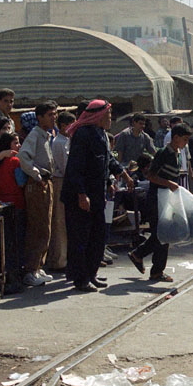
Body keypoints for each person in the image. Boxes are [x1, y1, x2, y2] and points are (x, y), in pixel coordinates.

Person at [61, 99, 133, 292]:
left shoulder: (100, 134)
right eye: (108, 116)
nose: (111, 120)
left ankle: (91, 274)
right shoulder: (83, 134)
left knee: (97, 236)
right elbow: (76, 168)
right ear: (98, 116)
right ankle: (80, 278)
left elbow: (106, 160)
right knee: (81, 238)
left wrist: (114, 178)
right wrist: (81, 194)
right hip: (81, 195)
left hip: (97, 193)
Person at [128, 122, 193, 283]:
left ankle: (142, 257)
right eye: (184, 139)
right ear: (175, 138)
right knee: (162, 235)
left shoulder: (177, 153)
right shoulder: (164, 153)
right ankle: (152, 267)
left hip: (167, 199)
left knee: (163, 234)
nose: (186, 143)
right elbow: (151, 175)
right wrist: (169, 184)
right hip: (157, 198)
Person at [18, 102, 58, 287]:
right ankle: (30, 269)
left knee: (46, 227)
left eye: (55, 114)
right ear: (40, 117)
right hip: (37, 184)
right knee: (38, 226)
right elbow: (23, 158)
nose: (53, 117)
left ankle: (38, 266)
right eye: (50, 114)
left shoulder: (46, 135)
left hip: (46, 182)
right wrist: (38, 175)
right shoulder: (34, 135)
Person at [0, 132, 28, 293]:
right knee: (17, 241)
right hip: (17, 204)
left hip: (1, 203)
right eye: (15, 143)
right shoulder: (15, 162)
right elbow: (21, 182)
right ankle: (16, 278)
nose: (19, 146)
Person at [48, 110, 76, 272]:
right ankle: (59, 260)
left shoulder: (67, 140)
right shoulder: (59, 142)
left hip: (67, 182)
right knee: (59, 223)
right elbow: (65, 167)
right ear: (64, 126)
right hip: (60, 182)